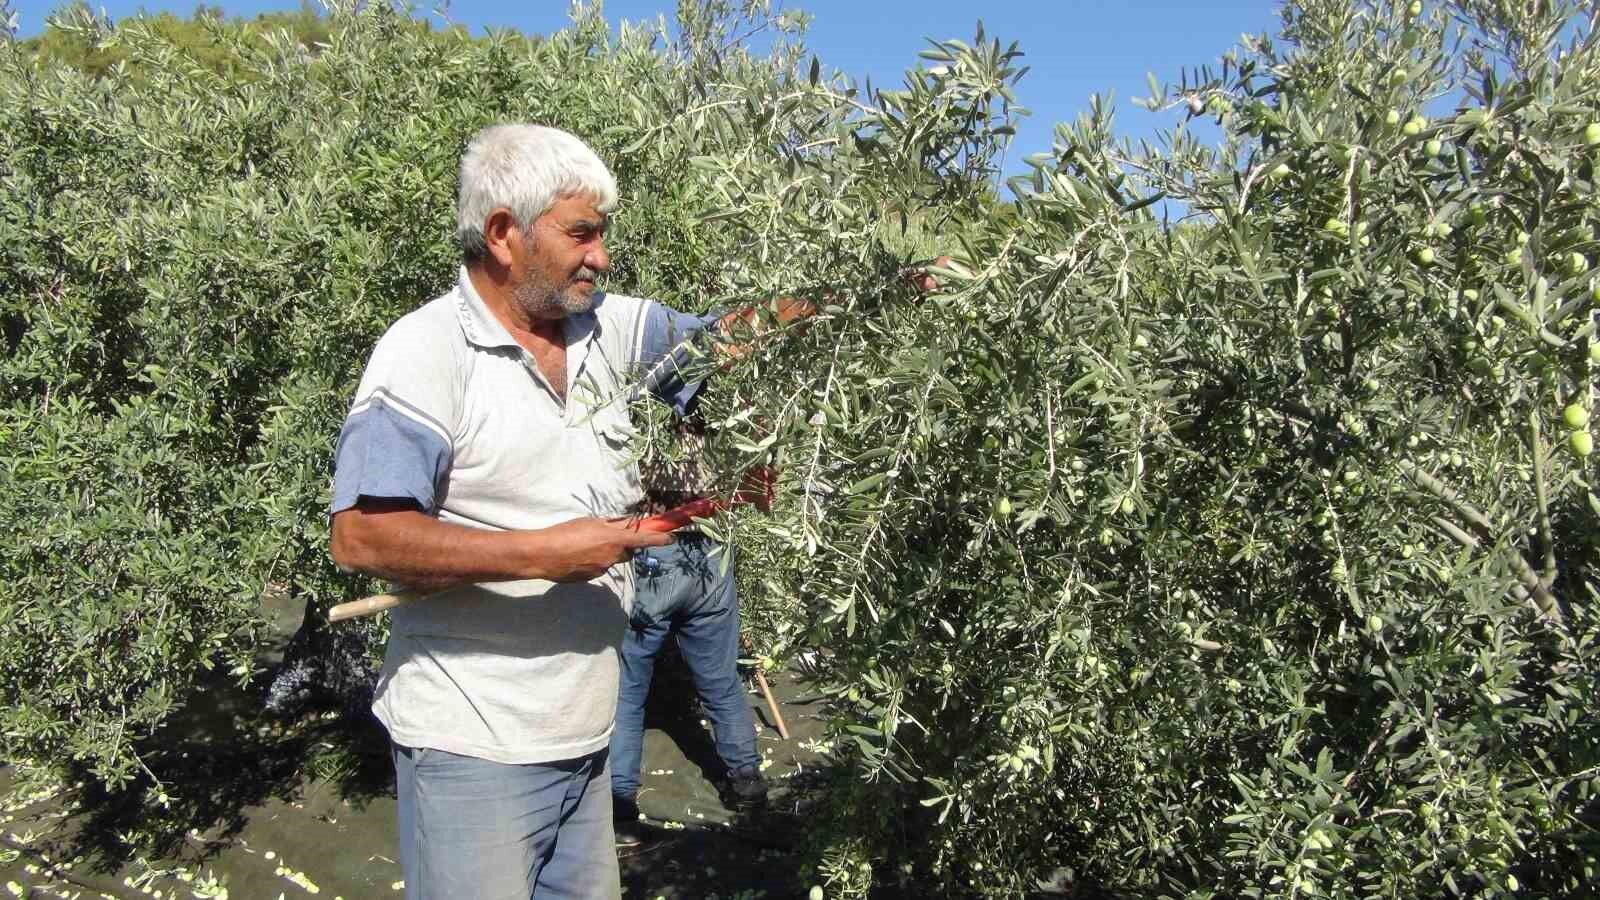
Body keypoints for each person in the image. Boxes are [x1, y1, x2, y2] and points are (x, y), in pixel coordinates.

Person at [327, 123, 783, 900]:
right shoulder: (425, 351)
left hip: (586, 740)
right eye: (581, 234)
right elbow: (362, 536)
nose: (600, 257)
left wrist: (868, 296)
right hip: (472, 750)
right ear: (504, 234)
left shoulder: (608, 329)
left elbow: (726, 344)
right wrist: (540, 553)